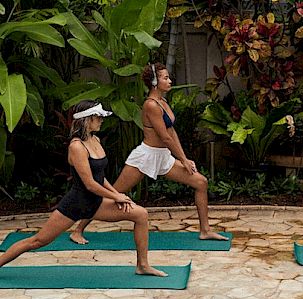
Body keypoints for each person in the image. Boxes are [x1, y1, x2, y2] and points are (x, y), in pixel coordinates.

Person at [0, 101, 166, 276]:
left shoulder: (95, 139)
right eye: (98, 117)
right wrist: (116, 197)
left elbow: (100, 177)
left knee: (141, 214)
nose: (101, 120)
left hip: (95, 203)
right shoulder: (77, 146)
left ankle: (142, 265)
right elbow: (89, 183)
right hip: (77, 203)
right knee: (38, 241)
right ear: (87, 119)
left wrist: (117, 194)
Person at [70, 63, 228, 244]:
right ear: (154, 82)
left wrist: (185, 158)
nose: (169, 81)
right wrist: (182, 160)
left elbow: (172, 132)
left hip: (163, 157)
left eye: (168, 77)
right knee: (113, 193)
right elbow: (165, 138)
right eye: (165, 78)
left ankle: (205, 230)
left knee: (201, 182)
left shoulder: (163, 102)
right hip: (146, 157)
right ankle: (78, 230)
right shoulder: (151, 105)